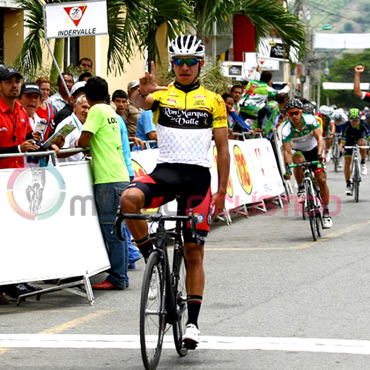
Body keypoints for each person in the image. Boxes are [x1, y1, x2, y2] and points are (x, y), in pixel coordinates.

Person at [120, 34, 230, 349]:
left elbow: (222, 149)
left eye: (190, 62)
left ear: (201, 64)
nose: (184, 68)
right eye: (179, 62)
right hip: (165, 174)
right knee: (129, 200)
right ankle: (151, 263)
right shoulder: (161, 95)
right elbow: (139, 103)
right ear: (173, 65)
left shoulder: (213, 100)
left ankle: (192, 323)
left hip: (198, 180)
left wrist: (221, 191)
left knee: (194, 251)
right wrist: (143, 89)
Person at [77, 76, 130, 290]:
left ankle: (118, 277)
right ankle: (121, 274)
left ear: (88, 97)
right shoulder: (110, 111)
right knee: (119, 229)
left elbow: (83, 141)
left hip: (107, 178)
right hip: (120, 175)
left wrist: (75, 143)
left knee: (111, 229)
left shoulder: (96, 111)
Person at [282, 99, 333, 229]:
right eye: (290, 114)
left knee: (321, 180)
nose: (293, 116)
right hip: (298, 150)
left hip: (314, 149)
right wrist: (287, 168)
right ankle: (301, 188)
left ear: (301, 112)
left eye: (296, 113)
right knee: (297, 160)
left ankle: (326, 213)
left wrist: (320, 155)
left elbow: (319, 139)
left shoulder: (310, 120)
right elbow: (287, 152)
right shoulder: (286, 129)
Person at [0, 67, 40, 169]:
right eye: (9, 82)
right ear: (0, 86)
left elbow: (29, 137)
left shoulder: (21, 111)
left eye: (17, 82)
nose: (14, 85)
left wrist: (50, 144)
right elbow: (20, 148)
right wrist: (18, 149)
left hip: (17, 175)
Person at [53, 94, 90, 162]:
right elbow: (58, 152)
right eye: (84, 107)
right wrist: (80, 147)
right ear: (75, 107)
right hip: (62, 169)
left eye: (89, 108)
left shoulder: (86, 124)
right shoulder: (67, 124)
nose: (87, 111)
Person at [340, 109, 368, 194]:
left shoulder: (364, 123)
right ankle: (348, 184)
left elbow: (369, 136)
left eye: (356, 120)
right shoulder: (346, 125)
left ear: (360, 119)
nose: (354, 122)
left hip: (360, 137)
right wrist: (341, 150)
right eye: (352, 120)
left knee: (363, 143)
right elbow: (342, 141)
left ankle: (363, 162)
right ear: (349, 119)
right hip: (349, 140)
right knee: (347, 161)